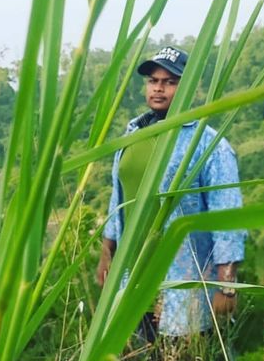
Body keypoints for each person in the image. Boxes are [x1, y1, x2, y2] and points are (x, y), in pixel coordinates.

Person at [96, 45, 246, 336]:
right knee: (140, 359)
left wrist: (226, 285)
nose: (158, 88)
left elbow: (227, 215)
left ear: (187, 87)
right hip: (131, 281)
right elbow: (119, 198)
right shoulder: (132, 136)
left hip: (183, 284)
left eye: (170, 82)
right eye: (153, 81)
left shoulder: (208, 144)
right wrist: (106, 254)